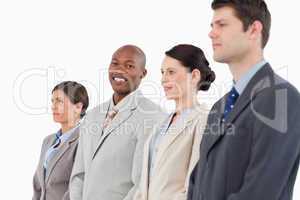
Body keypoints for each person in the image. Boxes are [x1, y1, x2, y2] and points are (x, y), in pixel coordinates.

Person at [188, 1, 300, 200]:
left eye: (222, 25)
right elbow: (198, 182)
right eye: (212, 26)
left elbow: (260, 192)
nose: (212, 33)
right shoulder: (218, 108)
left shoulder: (281, 98)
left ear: (254, 29)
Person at [69, 45, 166, 200]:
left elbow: (142, 183)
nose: (120, 70)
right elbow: (78, 175)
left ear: (143, 73)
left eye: (129, 66)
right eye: (115, 64)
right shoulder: (92, 116)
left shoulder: (153, 116)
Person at [133, 44, 215, 200]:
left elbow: (195, 184)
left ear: (195, 76)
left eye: (171, 72)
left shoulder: (204, 119)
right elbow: (145, 182)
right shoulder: (161, 124)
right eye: (163, 73)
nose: (163, 79)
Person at [32, 81, 89, 200]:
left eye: (59, 101)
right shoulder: (48, 141)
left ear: (78, 107)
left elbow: (78, 187)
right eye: (52, 101)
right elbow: (38, 185)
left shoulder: (84, 140)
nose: (53, 106)